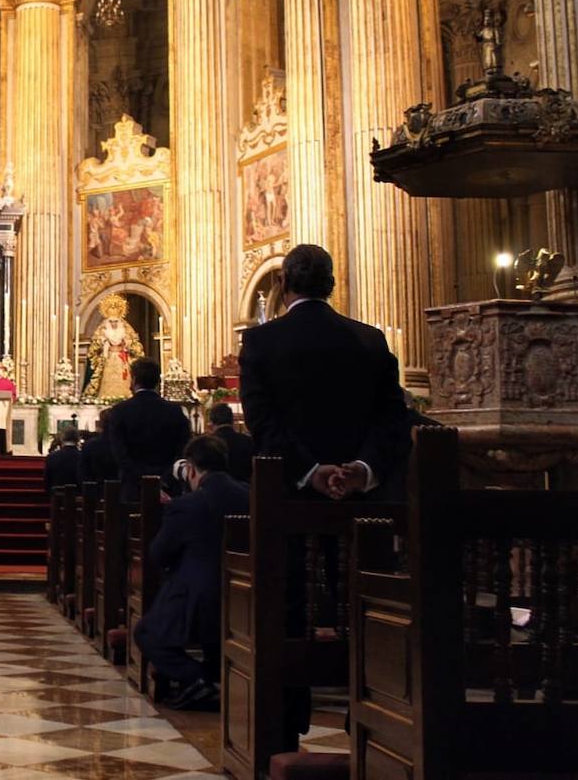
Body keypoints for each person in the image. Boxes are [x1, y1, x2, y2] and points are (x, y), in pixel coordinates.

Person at [238, 243, 410, 501]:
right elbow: (393, 417)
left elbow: (262, 423)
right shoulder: (370, 339)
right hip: (362, 506)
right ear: (331, 283)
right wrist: (364, 468)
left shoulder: (260, 341)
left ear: (283, 282)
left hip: (289, 500)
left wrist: (310, 471)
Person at [135, 435, 249, 710]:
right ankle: (213, 678)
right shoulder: (251, 494)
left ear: (192, 469)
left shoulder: (186, 505)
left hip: (200, 599)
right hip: (248, 595)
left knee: (146, 633)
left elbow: (159, 553)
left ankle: (198, 679)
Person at [108, 357, 192, 502]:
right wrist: (163, 479)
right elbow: (183, 450)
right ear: (158, 381)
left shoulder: (119, 411)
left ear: (133, 380)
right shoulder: (175, 411)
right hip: (168, 487)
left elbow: (119, 454)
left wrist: (142, 481)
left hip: (133, 488)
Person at [208, 403, 254, 484]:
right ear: (232, 420)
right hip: (244, 491)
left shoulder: (208, 443)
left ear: (211, 422)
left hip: (216, 490)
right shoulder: (247, 440)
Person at [79, 408, 119, 485]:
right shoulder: (124, 443)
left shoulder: (89, 446)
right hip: (121, 491)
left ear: (100, 424)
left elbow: (82, 474)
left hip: (95, 490)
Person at [44, 427, 81, 492]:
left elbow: (47, 483)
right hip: (79, 496)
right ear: (78, 439)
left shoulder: (52, 457)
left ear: (62, 439)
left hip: (57, 496)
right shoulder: (83, 456)